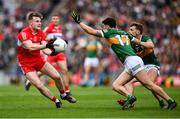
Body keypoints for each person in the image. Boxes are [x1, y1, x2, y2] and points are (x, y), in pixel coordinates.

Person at [71, 11, 177, 110]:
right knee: (116, 85)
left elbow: (91, 31)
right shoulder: (124, 33)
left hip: (132, 61)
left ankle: (170, 101)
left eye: (104, 26)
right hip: (132, 62)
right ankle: (130, 97)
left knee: (149, 85)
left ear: (108, 26)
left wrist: (79, 22)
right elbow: (137, 41)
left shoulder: (109, 32)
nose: (103, 28)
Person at [17, 12, 76, 108]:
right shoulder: (23, 33)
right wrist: (46, 45)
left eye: (40, 21)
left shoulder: (41, 33)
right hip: (26, 64)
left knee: (57, 76)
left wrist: (55, 51)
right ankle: (56, 100)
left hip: (38, 60)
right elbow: (30, 47)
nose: (39, 23)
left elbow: (46, 50)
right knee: (39, 85)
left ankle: (64, 95)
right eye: (37, 21)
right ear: (30, 23)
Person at [117, 23, 166, 108]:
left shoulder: (145, 38)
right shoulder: (130, 42)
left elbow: (151, 46)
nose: (129, 31)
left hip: (152, 65)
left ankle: (162, 102)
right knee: (128, 83)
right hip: (140, 67)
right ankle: (131, 102)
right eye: (129, 29)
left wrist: (139, 43)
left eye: (132, 30)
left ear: (138, 31)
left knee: (150, 84)